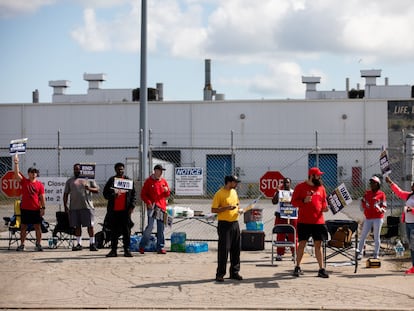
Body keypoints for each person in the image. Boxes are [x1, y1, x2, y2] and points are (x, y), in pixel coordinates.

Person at [291, 167, 330, 278]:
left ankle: (321, 269)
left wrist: (325, 208)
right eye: (318, 175)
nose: (320, 177)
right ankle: (297, 267)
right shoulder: (300, 187)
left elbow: (323, 202)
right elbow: (293, 202)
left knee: (318, 244)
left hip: (318, 221)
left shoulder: (321, 188)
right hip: (304, 221)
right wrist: (303, 201)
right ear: (312, 176)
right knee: (302, 244)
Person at [211, 175, 243, 282]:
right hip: (224, 225)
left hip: (235, 223)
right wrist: (226, 208)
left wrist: (239, 209)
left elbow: (237, 203)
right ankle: (220, 274)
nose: (236, 184)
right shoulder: (219, 193)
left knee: (236, 249)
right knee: (224, 250)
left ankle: (234, 272)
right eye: (235, 182)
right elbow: (214, 210)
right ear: (229, 182)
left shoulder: (234, 192)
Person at [13, 153, 46, 251]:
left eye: (35, 172)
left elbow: (42, 197)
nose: (33, 173)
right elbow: (16, 174)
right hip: (25, 209)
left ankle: (38, 244)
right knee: (23, 227)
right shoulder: (24, 182)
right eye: (31, 172)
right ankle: (22, 245)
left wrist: (43, 208)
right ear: (28, 173)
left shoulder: (40, 185)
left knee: (37, 227)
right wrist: (16, 163)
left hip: (35, 209)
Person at [63, 163, 99, 251]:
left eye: (78, 169)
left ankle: (92, 243)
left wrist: (89, 189)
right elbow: (66, 194)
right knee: (77, 226)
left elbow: (97, 190)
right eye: (75, 169)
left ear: (81, 170)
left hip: (87, 207)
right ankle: (79, 244)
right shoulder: (70, 181)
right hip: (74, 207)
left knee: (90, 226)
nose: (76, 171)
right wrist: (65, 206)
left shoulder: (89, 179)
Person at [103, 162, 136, 257]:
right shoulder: (111, 180)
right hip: (114, 211)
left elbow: (134, 194)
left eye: (122, 169)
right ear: (115, 170)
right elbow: (105, 194)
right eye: (118, 169)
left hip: (125, 211)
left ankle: (127, 250)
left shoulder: (128, 181)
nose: (120, 171)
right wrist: (114, 195)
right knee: (114, 231)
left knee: (126, 231)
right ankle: (113, 250)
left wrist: (132, 206)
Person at [139, 164, 170, 254]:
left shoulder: (163, 181)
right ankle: (142, 245)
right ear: (155, 171)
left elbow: (167, 194)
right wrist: (148, 203)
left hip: (161, 207)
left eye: (161, 171)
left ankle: (160, 247)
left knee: (161, 228)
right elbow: (143, 194)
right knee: (150, 227)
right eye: (159, 171)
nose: (160, 173)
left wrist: (166, 190)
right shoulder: (149, 181)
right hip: (152, 207)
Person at [385, 175, 414, 274]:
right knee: (411, 246)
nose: (413, 187)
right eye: (412, 186)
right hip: (408, 224)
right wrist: (390, 183)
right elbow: (399, 192)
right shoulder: (410, 195)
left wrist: (411, 210)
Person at [357, 176, 387, 260]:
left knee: (376, 236)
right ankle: (360, 252)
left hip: (378, 217)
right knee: (363, 235)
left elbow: (384, 206)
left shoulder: (381, 194)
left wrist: (380, 209)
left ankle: (376, 253)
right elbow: (363, 202)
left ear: (377, 184)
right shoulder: (367, 193)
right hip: (368, 217)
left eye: (373, 183)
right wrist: (365, 206)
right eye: (371, 183)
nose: (371, 185)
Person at [272, 177, 298, 261]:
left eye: (288, 182)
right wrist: (277, 191)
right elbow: (274, 202)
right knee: (280, 234)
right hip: (281, 215)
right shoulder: (280, 192)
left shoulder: (293, 192)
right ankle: (280, 253)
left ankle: (294, 253)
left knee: (293, 234)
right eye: (285, 182)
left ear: (290, 183)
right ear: (282, 183)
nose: (286, 184)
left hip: (291, 215)